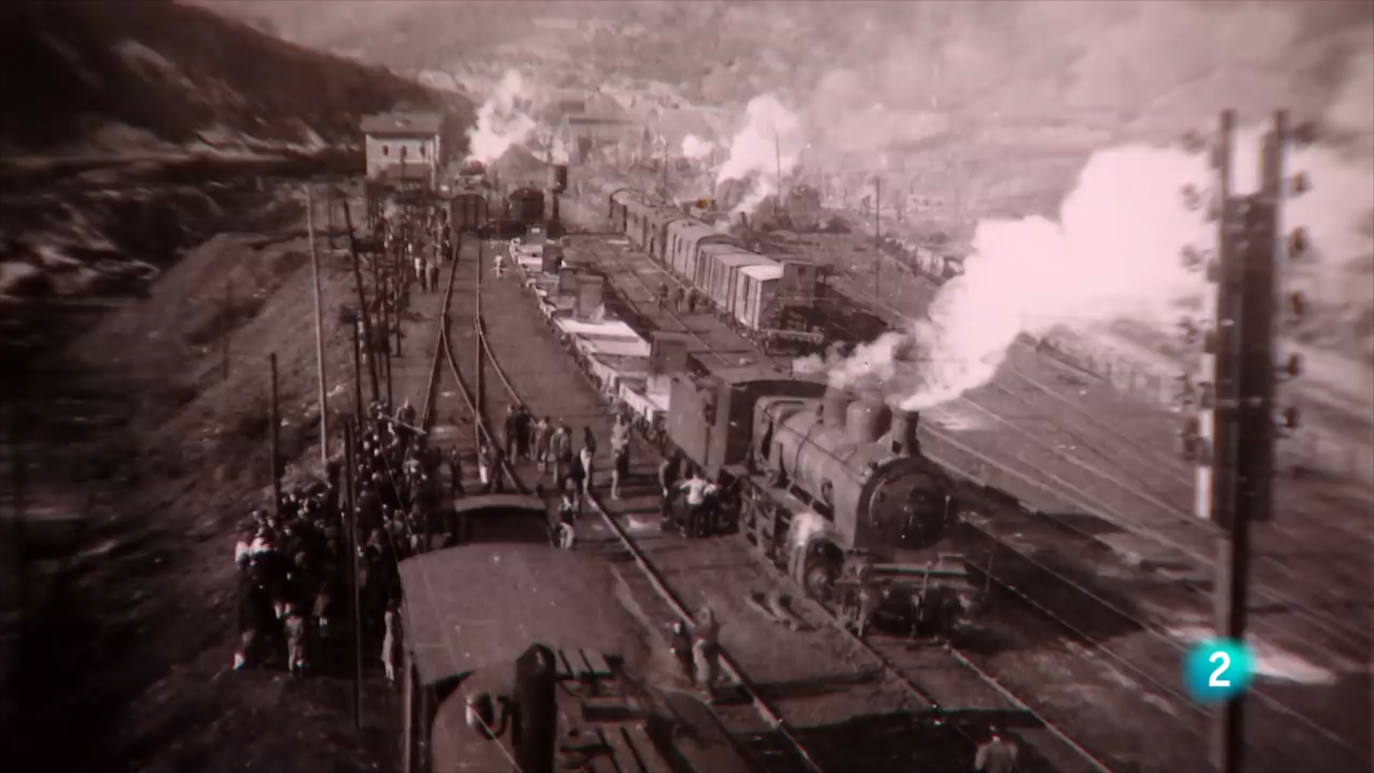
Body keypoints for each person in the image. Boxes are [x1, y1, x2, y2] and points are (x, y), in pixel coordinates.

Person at [787, 510, 830, 584]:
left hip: (797, 539)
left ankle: (791, 575)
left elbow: (793, 523)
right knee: (800, 561)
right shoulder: (816, 521)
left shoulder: (802, 516)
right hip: (804, 542)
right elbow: (819, 533)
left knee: (793, 558)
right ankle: (798, 579)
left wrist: (792, 534)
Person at [677, 470, 717, 539]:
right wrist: (705, 492)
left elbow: (681, 488)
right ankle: (697, 533)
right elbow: (713, 487)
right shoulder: (703, 482)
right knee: (697, 518)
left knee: (688, 518)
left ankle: (687, 533)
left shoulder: (691, 482)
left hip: (691, 502)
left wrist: (688, 492)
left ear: (695, 475)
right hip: (700, 503)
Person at [692, 606, 721, 695]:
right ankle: (711, 690)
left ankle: (711, 693)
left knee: (706, 673)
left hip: (704, 652)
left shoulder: (708, 626)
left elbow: (700, 634)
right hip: (707, 651)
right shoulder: (713, 625)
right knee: (709, 672)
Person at [658, 451, 681, 525]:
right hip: (666, 486)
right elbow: (662, 479)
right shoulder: (663, 468)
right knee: (666, 500)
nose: (670, 464)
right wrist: (664, 488)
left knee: (668, 500)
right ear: (667, 461)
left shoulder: (667, 466)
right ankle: (665, 516)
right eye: (669, 462)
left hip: (668, 485)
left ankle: (668, 514)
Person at [669, 620, 696, 685]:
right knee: (685, 666)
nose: (676, 628)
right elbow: (674, 643)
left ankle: (691, 680)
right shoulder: (679, 635)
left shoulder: (684, 635)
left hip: (685, 652)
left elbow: (687, 643)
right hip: (682, 652)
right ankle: (690, 680)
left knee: (687, 666)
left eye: (677, 627)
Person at [382, 604, 402, 685]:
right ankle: (391, 677)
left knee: (390, 658)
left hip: (393, 638)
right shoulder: (391, 615)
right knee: (389, 658)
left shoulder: (394, 615)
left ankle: (391, 677)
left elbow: (395, 628)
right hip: (391, 637)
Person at [550, 424, 572, 491]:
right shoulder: (565, 437)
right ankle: (563, 481)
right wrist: (565, 453)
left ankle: (556, 480)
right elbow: (565, 446)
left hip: (556, 453)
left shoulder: (555, 435)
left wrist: (554, 453)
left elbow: (552, 445)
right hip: (562, 454)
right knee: (564, 468)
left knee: (557, 467)